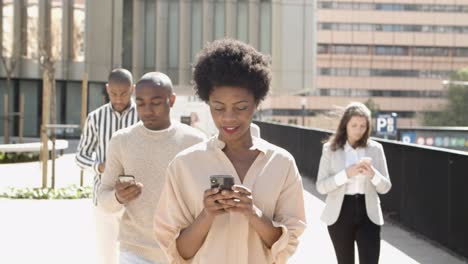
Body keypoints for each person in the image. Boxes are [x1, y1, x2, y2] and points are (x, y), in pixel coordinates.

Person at [154, 39, 306, 264]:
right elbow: (178, 253)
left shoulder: (281, 164)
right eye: (218, 108)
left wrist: (253, 213)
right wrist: (206, 215)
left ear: (256, 103)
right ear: (208, 104)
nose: (228, 118)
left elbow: (286, 247)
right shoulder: (184, 165)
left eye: (241, 107)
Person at [97, 72, 206, 264]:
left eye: (155, 103)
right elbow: (103, 200)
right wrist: (118, 197)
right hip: (135, 252)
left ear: (171, 100)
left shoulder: (195, 141)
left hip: (184, 253)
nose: (147, 110)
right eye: (140, 103)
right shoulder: (121, 140)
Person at [75, 68, 138, 264]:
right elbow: (80, 157)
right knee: (106, 256)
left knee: (135, 256)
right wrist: (100, 167)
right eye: (113, 93)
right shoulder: (95, 118)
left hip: (137, 199)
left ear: (133, 89)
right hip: (103, 197)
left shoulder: (143, 117)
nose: (118, 99)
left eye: (124, 93)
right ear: (107, 89)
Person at [316, 102, 392, 264]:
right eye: (354, 125)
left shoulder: (376, 149)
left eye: (363, 126)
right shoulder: (330, 149)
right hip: (340, 212)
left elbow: (385, 187)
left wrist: (373, 174)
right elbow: (321, 186)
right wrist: (346, 174)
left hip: (368, 212)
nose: (359, 130)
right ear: (345, 125)